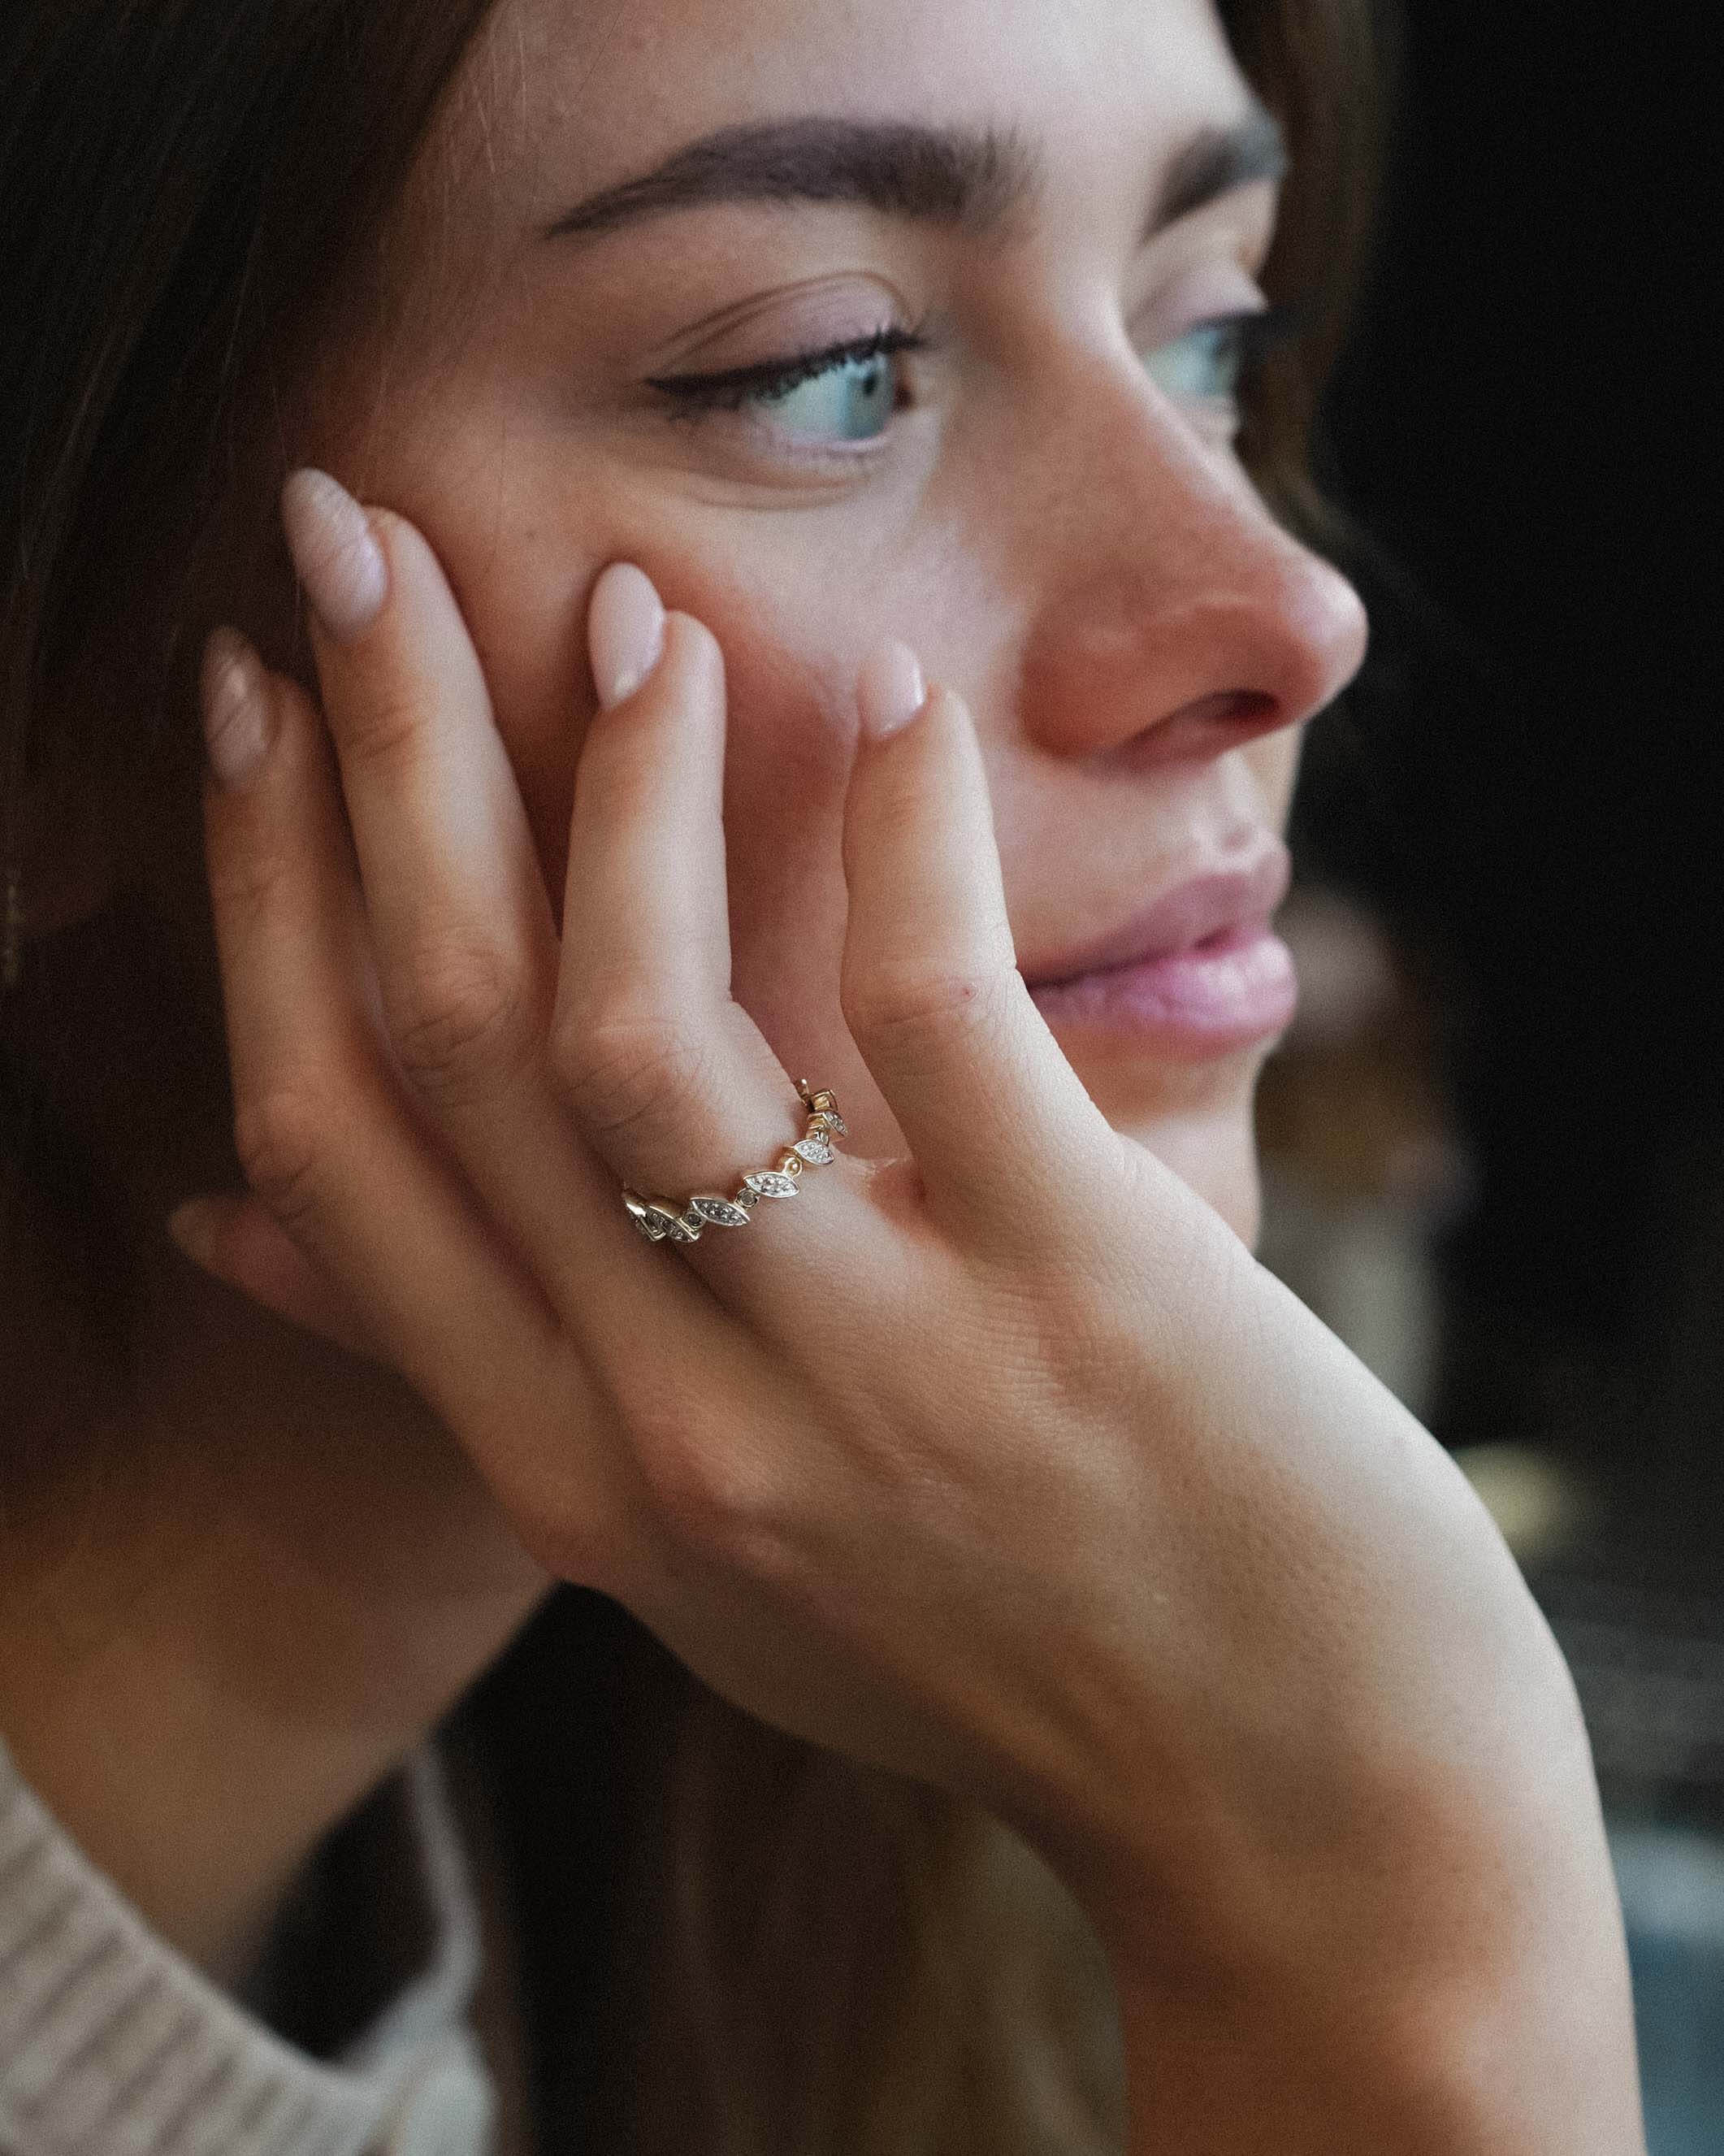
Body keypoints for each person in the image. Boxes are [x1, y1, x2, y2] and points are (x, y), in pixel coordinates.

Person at [0, 1, 1646, 2150]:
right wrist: (1371, 1912)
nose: (1279, 612)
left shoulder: (830, 1866)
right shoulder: (1242, 1829)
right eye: (827, 372)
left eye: (1205, 332)